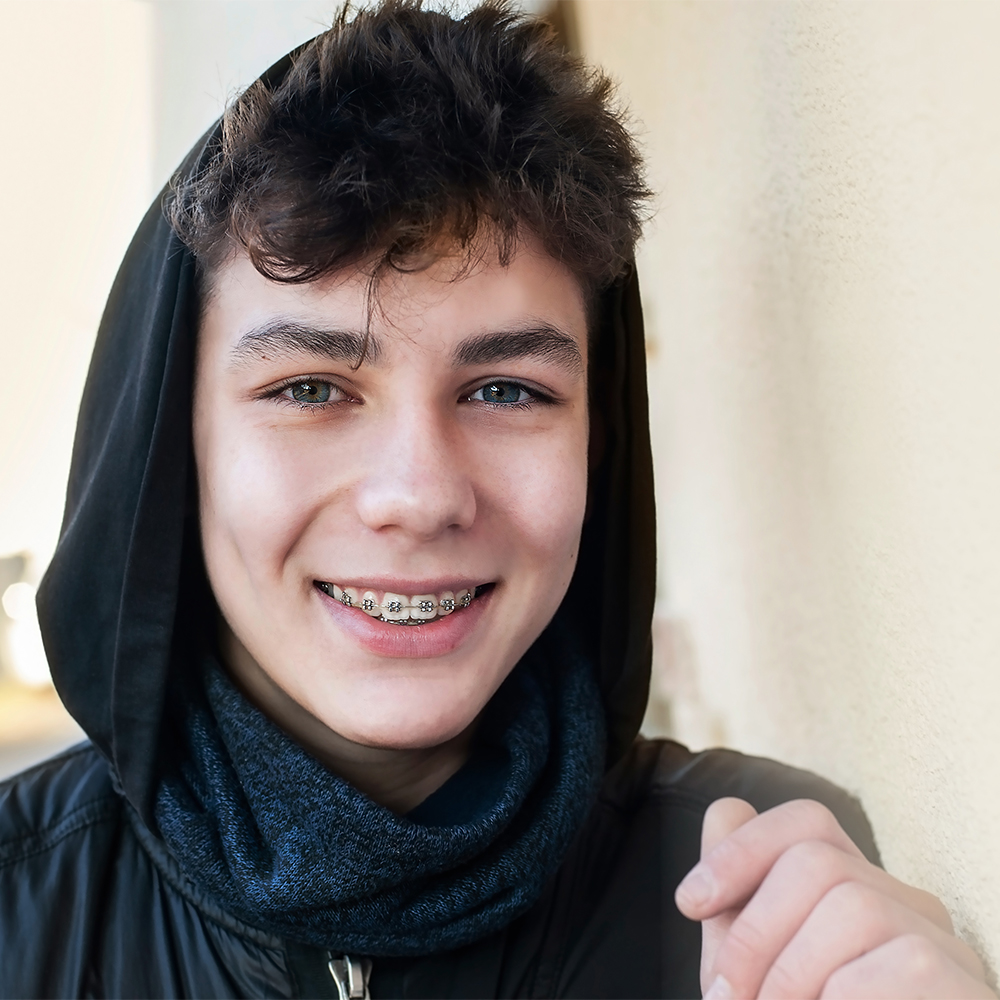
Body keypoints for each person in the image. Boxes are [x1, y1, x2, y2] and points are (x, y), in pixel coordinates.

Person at [0, 2, 991, 997]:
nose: (419, 495)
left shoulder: (768, 899)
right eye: (310, 389)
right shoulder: (18, 905)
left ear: (598, 436)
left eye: (505, 390)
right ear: (177, 445)